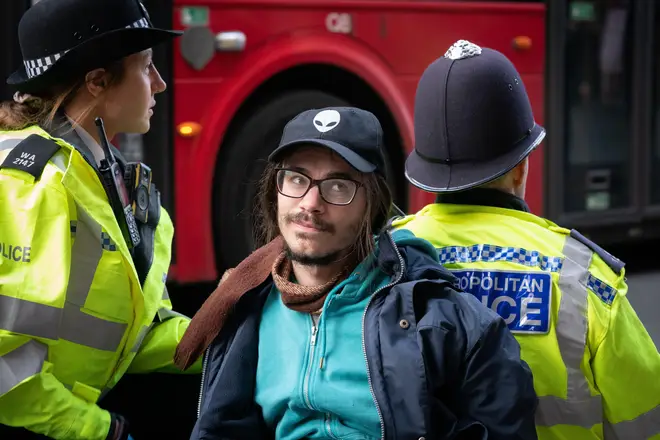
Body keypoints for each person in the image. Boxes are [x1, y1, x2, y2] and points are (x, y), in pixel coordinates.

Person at [173, 106, 539, 440]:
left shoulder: (440, 319)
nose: (310, 204)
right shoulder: (245, 307)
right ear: (276, 189)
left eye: (338, 186)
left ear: (372, 204)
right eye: (297, 179)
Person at [395, 39, 660, 440]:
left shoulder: (383, 260)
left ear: (426, 173)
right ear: (521, 167)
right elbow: (647, 420)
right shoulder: (584, 277)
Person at [0, 0, 201, 439]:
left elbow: (135, 333)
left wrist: (232, 334)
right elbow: (3, 373)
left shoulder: (97, 168)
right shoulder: (34, 185)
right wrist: (99, 430)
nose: (161, 84)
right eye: (147, 67)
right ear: (96, 82)